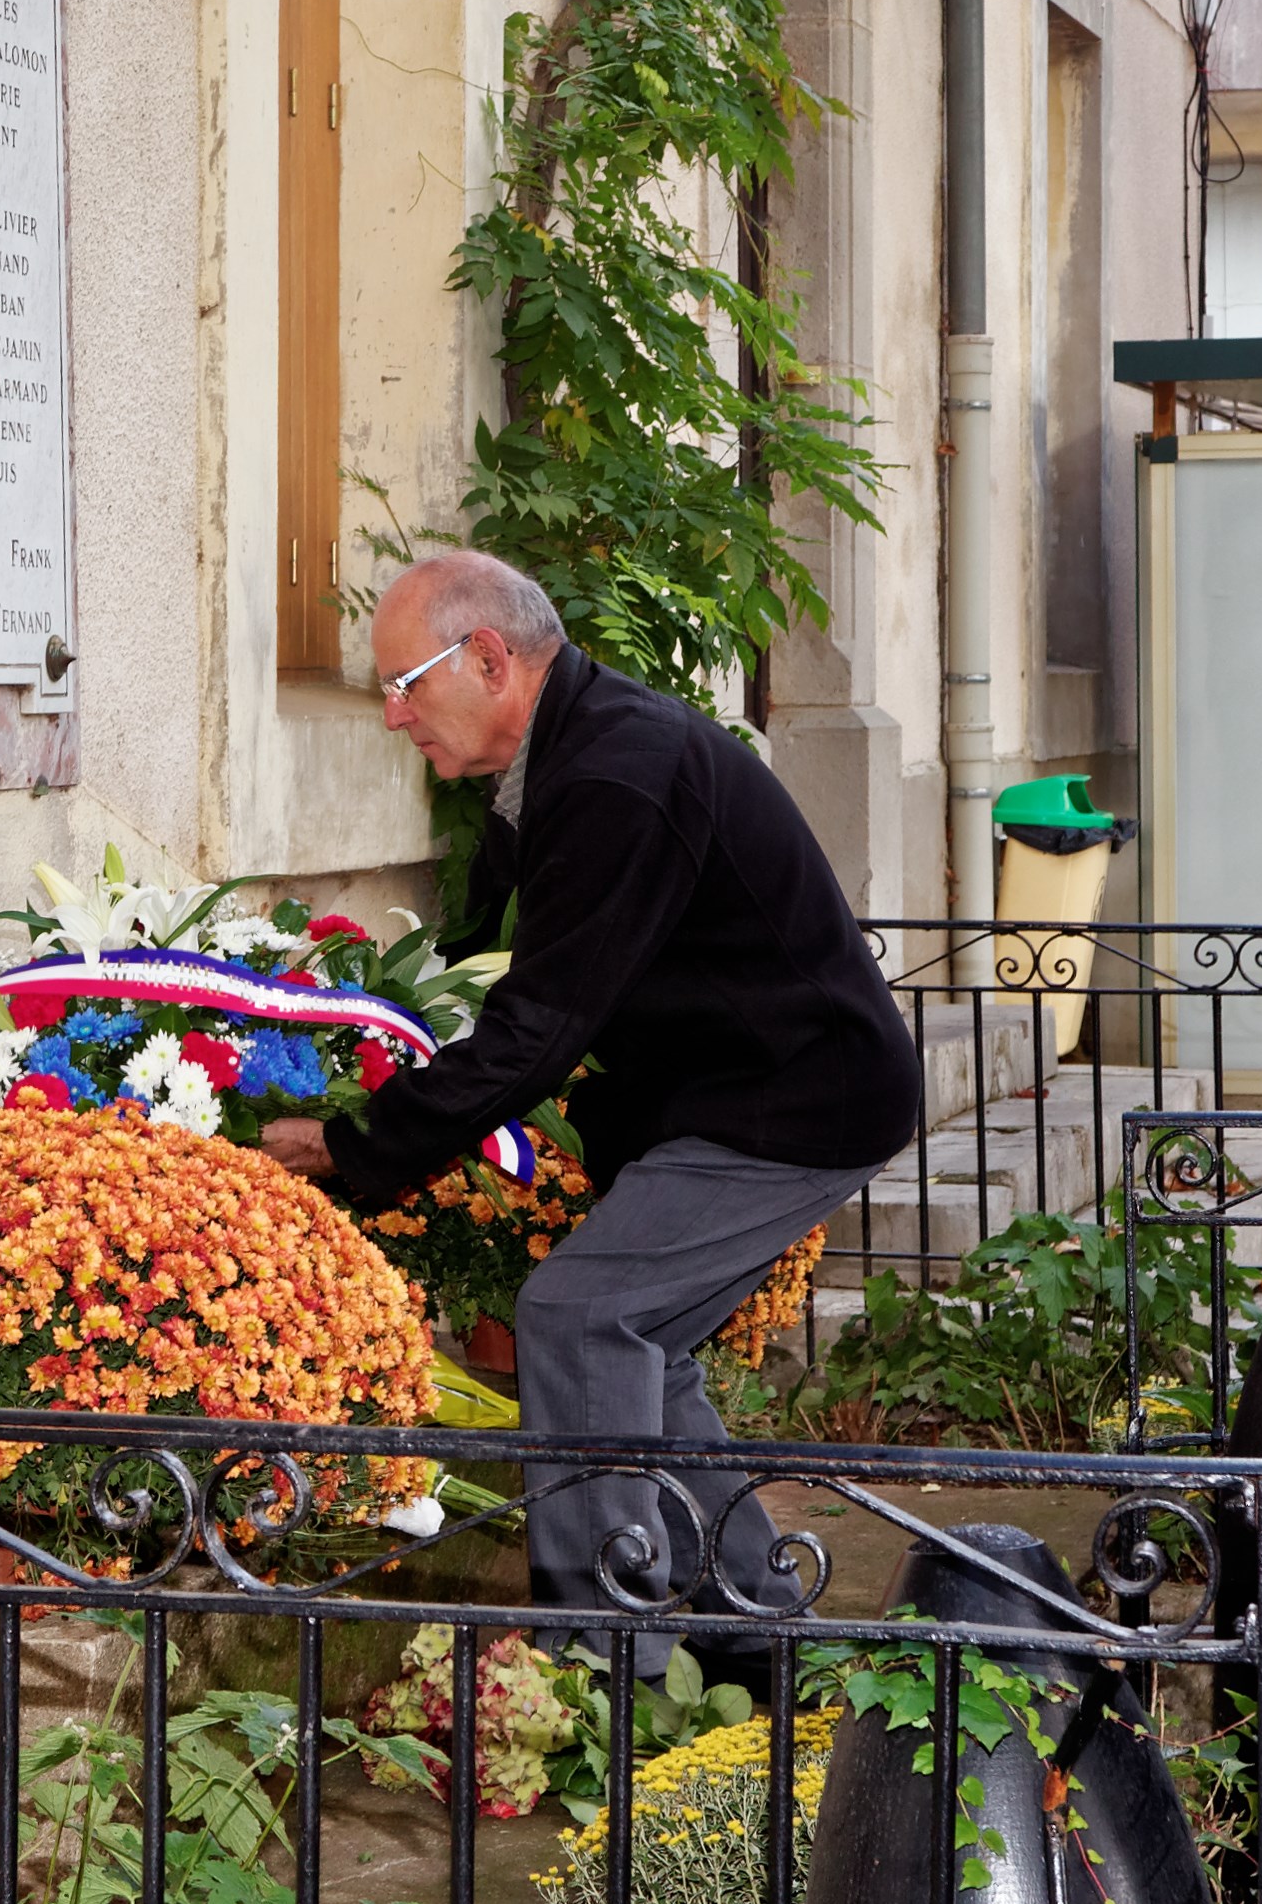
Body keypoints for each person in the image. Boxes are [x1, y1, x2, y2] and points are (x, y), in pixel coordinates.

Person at [262, 551, 921, 1674]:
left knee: (577, 1316)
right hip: (747, 1093)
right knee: (644, 1352)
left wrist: (356, 1145)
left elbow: (539, 1018)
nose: (389, 714)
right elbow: (497, 955)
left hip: (791, 1101)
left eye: (404, 683)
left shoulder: (616, 770)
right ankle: (756, 1640)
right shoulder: (562, 751)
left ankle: (604, 1653)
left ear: (486, 658)